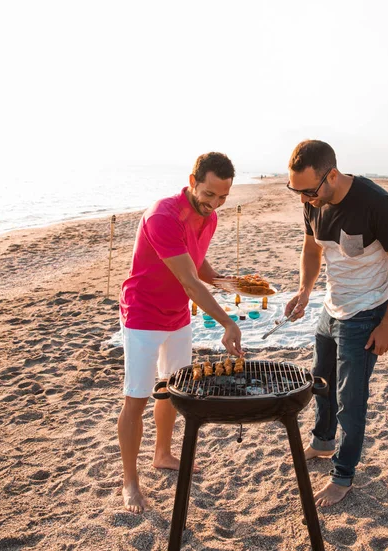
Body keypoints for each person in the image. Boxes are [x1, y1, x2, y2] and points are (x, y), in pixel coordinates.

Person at [284, 140, 388, 507]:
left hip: (367, 312)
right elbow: (312, 249)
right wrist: (305, 291)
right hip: (332, 307)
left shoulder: (376, 204)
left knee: (350, 398)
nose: (303, 200)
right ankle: (324, 443)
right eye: (295, 191)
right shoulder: (313, 203)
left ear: (332, 175)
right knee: (320, 382)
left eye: (309, 191)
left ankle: (343, 475)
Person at [118, 152, 244, 513]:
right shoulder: (162, 215)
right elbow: (189, 282)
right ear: (192, 181)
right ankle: (129, 481)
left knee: (172, 391)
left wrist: (223, 280)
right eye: (209, 195)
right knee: (137, 398)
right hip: (143, 315)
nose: (215, 204)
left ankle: (162, 454)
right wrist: (227, 322)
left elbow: (197, 261)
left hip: (177, 318)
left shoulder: (210, 216)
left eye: (223, 197)